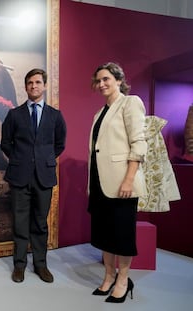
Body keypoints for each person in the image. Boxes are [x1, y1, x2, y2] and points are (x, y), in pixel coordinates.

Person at [88, 62, 147, 303]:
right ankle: (109, 275)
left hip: (122, 182)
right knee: (104, 233)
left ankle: (123, 279)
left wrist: (129, 179)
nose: (101, 84)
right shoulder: (99, 113)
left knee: (122, 234)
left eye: (106, 79)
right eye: (98, 80)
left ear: (119, 80)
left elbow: (139, 143)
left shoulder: (130, 103)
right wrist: (91, 183)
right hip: (100, 183)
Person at [1, 68, 67, 283]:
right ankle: (19, 265)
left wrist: (42, 160)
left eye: (38, 82)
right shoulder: (14, 115)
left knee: (40, 223)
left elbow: (59, 145)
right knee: (20, 222)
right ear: (25, 86)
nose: (34, 86)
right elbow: (5, 144)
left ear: (45, 85)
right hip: (20, 176)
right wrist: (22, 159)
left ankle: (41, 265)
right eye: (30, 83)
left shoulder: (55, 116)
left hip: (44, 177)